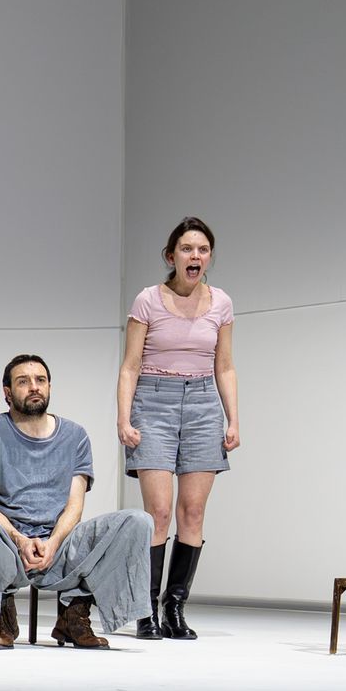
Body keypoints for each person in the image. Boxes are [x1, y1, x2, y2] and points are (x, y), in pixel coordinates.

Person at [0, 354, 153, 650]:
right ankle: (1, 615)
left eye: (40, 380)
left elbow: (75, 507)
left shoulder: (75, 435)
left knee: (138, 522)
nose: (34, 387)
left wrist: (53, 543)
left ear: (49, 387)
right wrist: (20, 540)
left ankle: (74, 615)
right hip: (7, 544)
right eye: (23, 381)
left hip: (61, 544)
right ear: (7, 392)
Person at [117, 216, 240, 640]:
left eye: (203, 250)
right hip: (154, 401)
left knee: (193, 512)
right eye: (187, 249)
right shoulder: (148, 300)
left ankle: (174, 608)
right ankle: (145, 610)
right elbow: (130, 366)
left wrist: (233, 418)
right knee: (159, 513)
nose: (195, 256)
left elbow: (225, 365)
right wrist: (124, 418)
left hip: (203, 403)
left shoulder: (221, 303)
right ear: (171, 256)